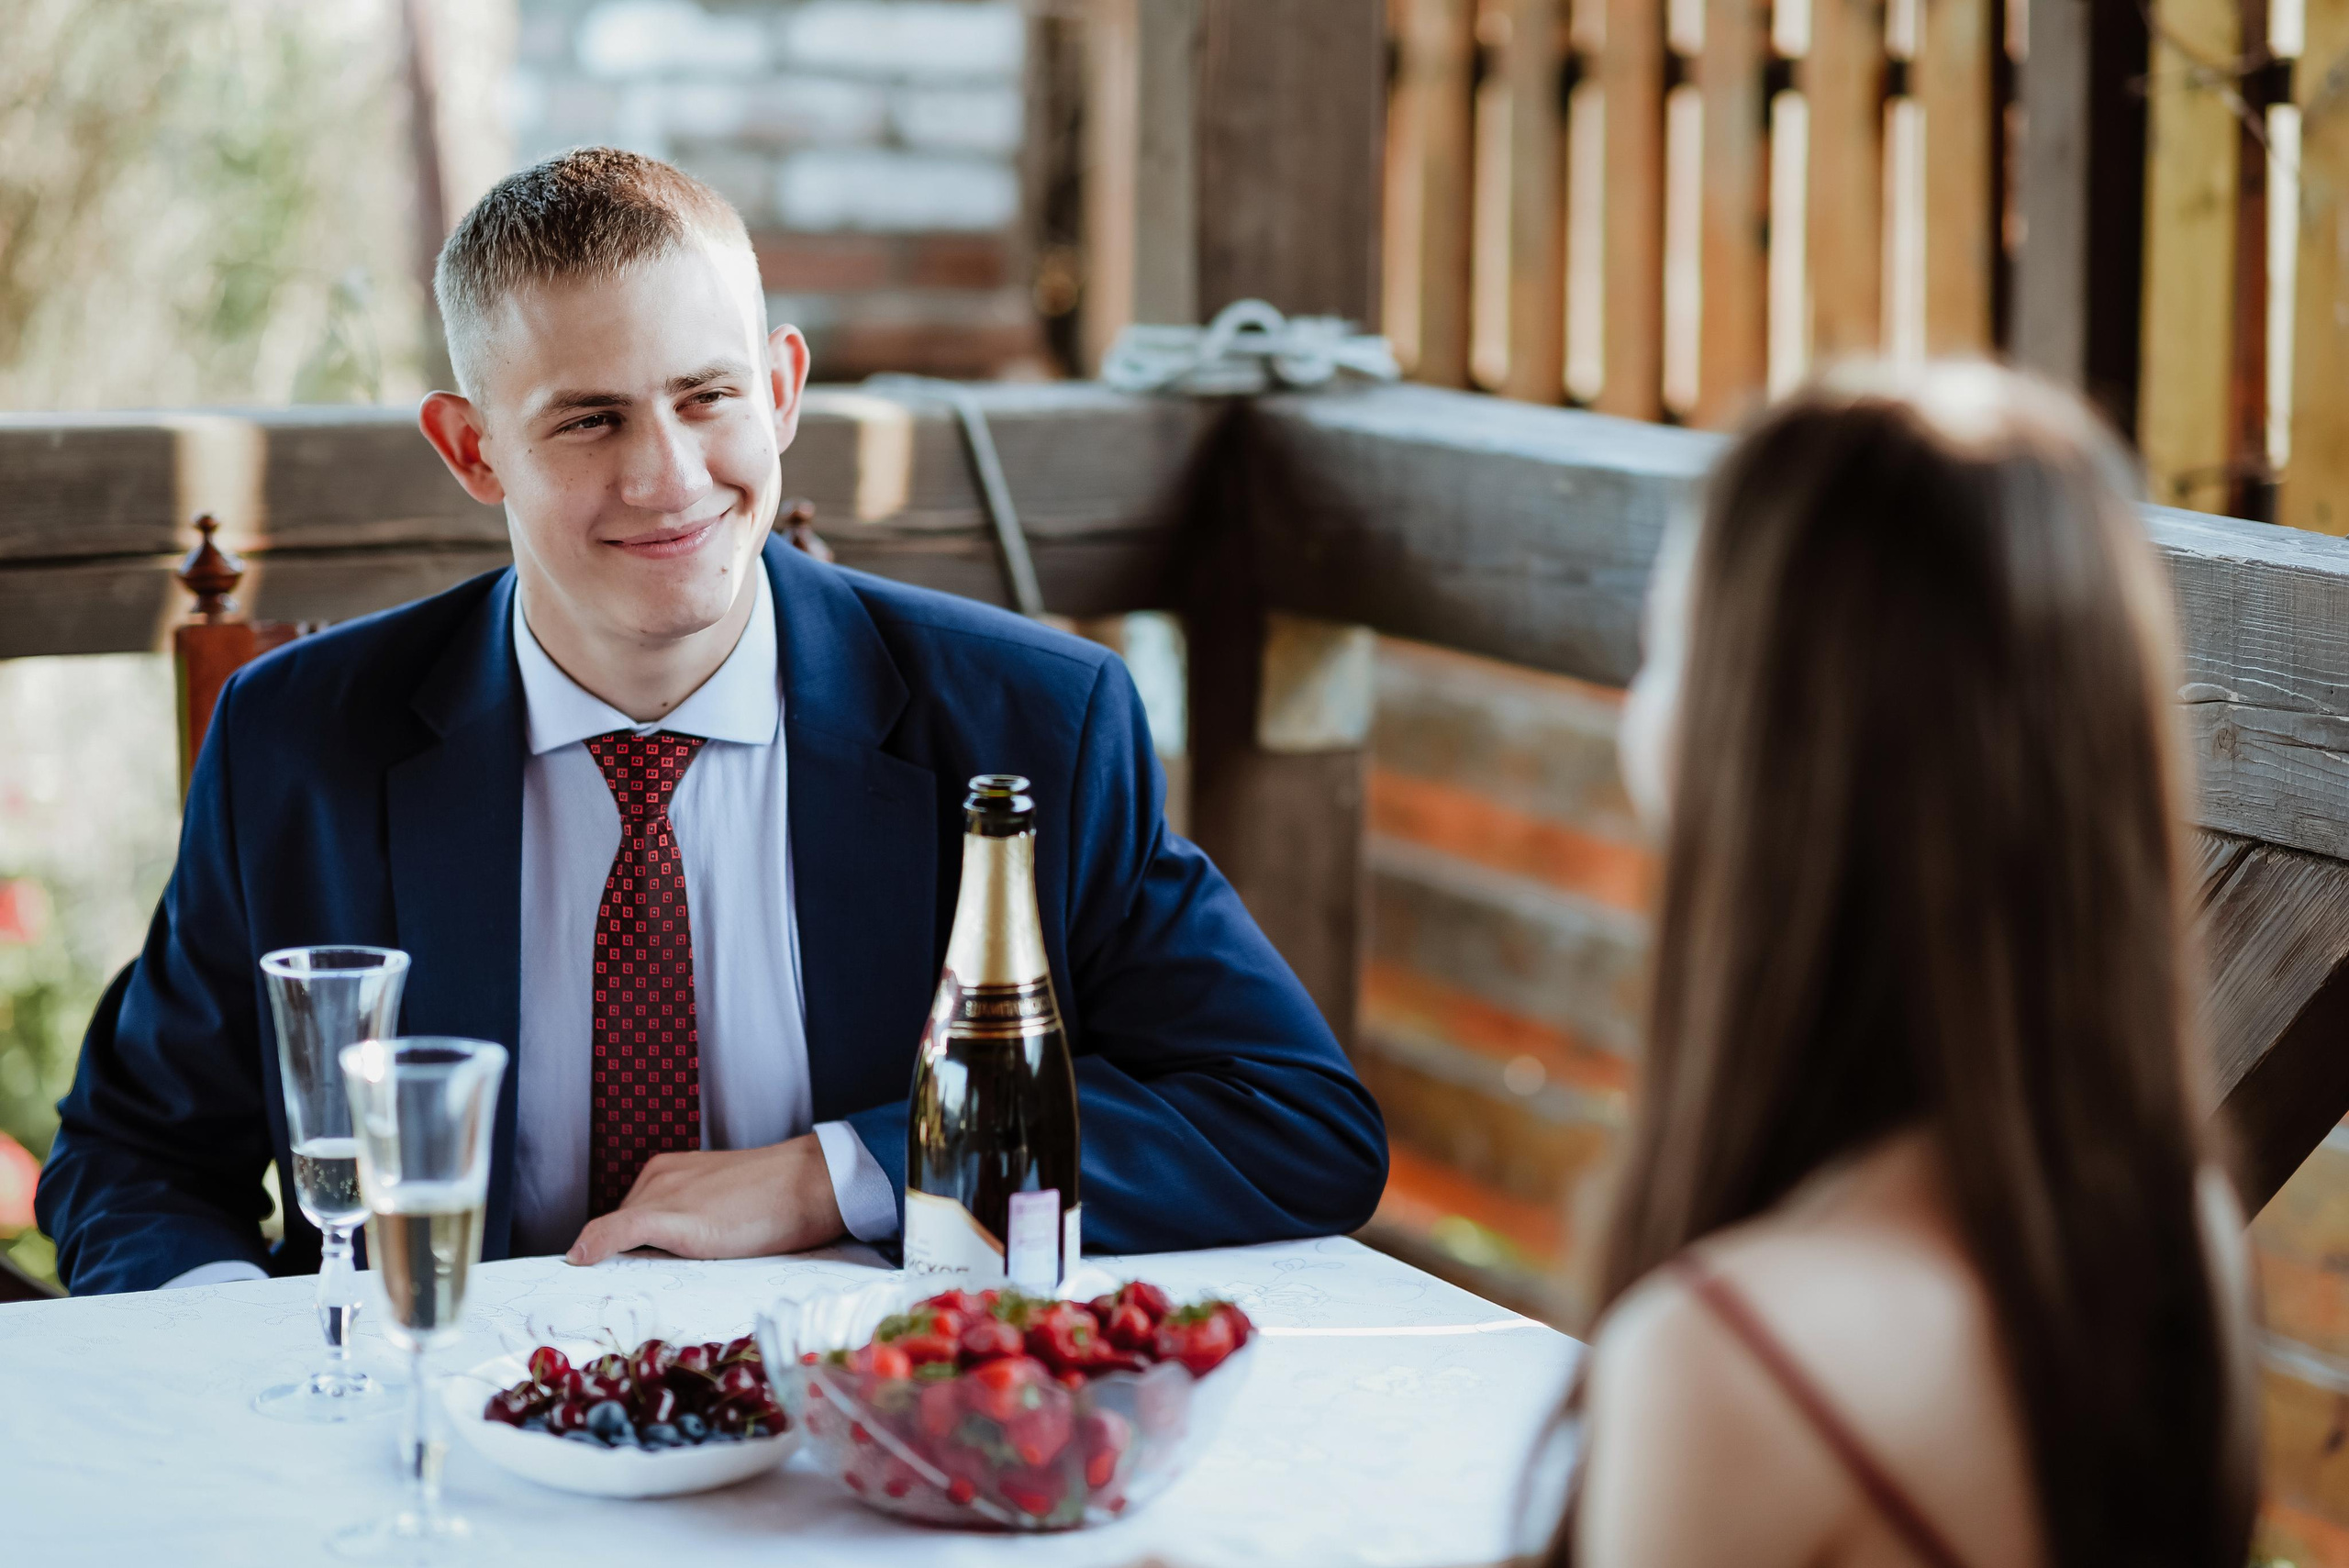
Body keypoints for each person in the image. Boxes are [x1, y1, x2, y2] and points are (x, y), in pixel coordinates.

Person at [36, 148, 1386, 1295]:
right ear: (470, 448)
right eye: (588, 420)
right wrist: (244, 1353)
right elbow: (136, 1156)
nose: (667, 476)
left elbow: (1290, 1118)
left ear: (783, 387)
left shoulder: (1034, 721)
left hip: (857, 1447)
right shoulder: (300, 741)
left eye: (707, 397)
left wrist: (838, 1171)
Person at [1556, 364, 2258, 1567]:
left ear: (1768, 756)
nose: (1640, 705)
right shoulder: (2182, 1236)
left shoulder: (1720, 1360)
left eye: (1670, 649)